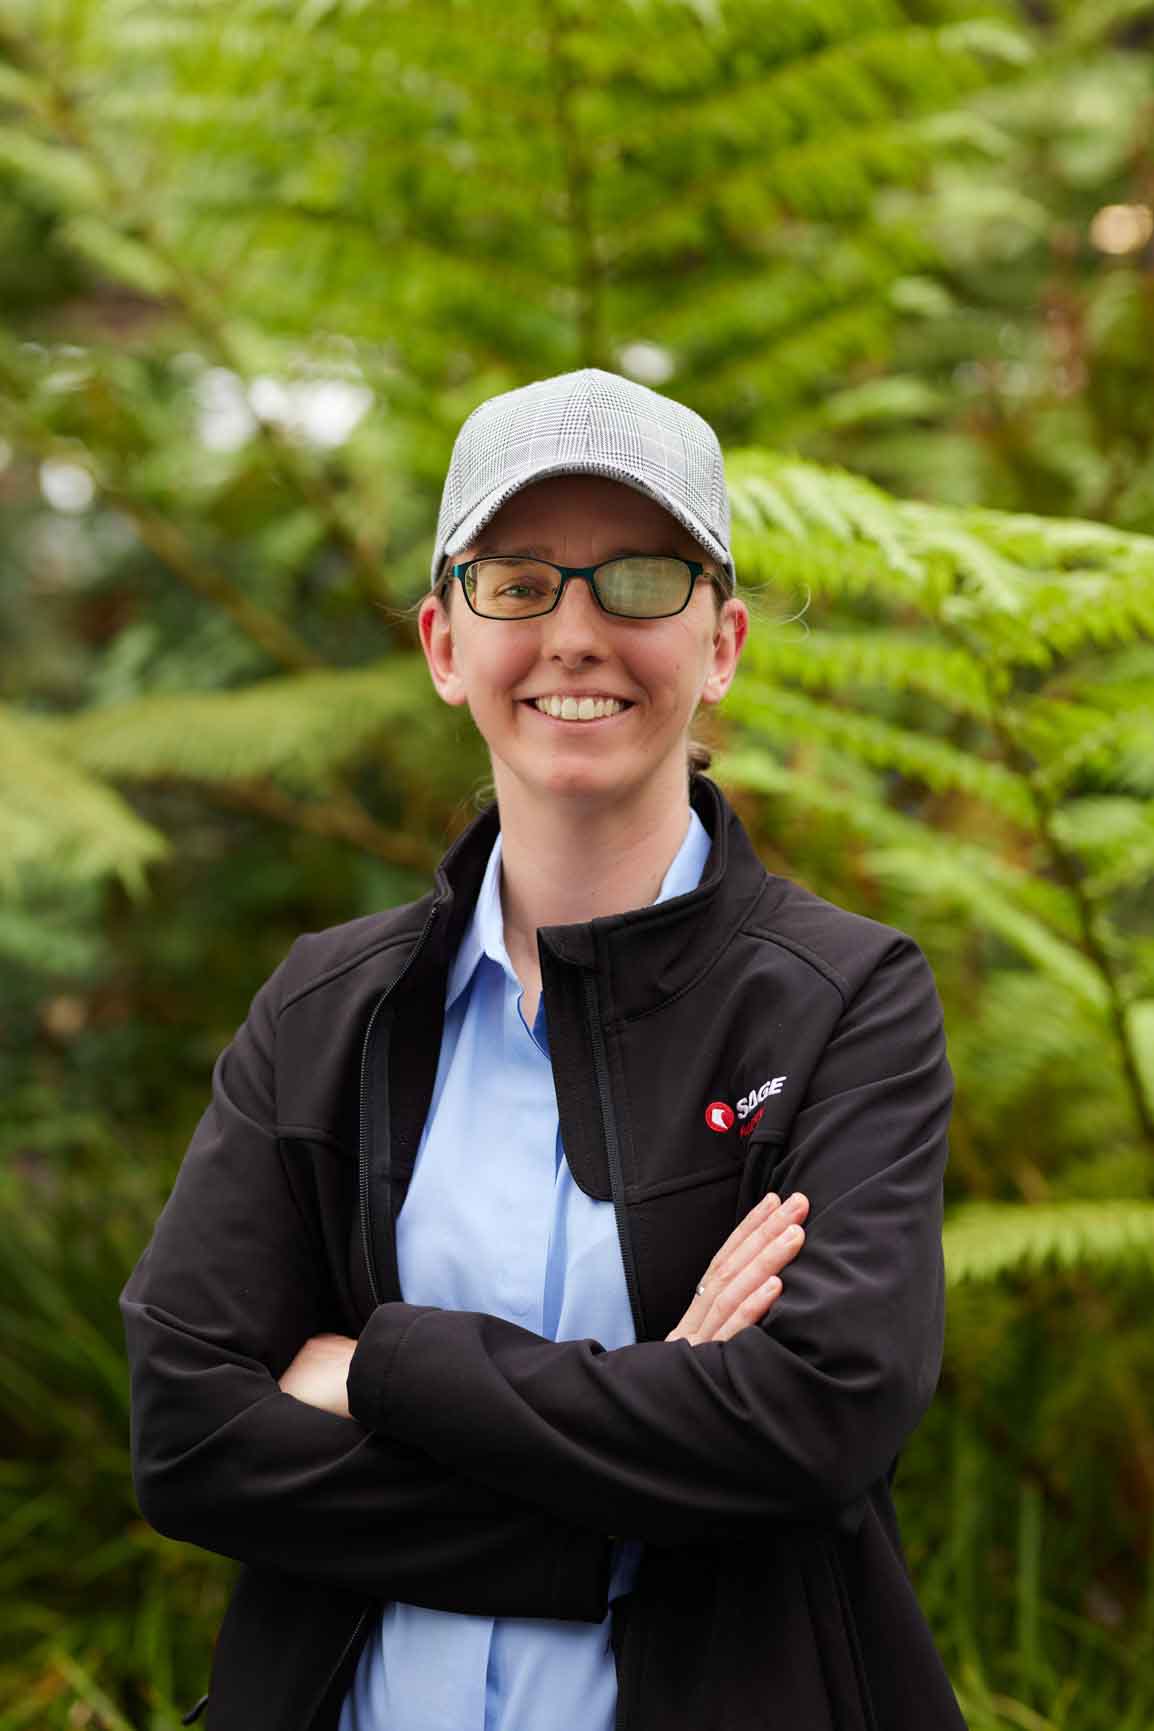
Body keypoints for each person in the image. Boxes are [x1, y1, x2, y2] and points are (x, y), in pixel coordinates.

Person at [120, 367, 967, 1731]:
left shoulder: (843, 1000)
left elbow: (816, 1419)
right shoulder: (325, 1007)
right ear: (446, 644)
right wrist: (627, 1503)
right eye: (517, 582)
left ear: (723, 642)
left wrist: (380, 1372)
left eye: (636, 579)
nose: (574, 631)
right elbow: (189, 1436)